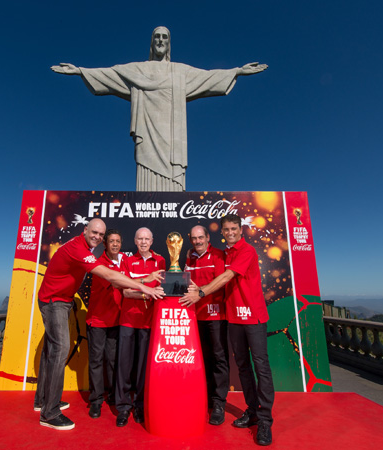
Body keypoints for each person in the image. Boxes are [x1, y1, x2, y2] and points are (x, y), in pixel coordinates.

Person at [51, 26, 267, 191]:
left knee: (173, 180)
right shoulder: (138, 70)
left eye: (165, 37)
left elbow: (208, 76)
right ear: (152, 42)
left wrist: (237, 71)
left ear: (169, 43)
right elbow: (111, 73)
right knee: (145, 176)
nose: (161, 41)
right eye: (157, 37)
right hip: (147, 132)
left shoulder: (179, 71)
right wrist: (80, 71)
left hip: (173, 138)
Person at [34, 219, 163, 431]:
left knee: (51, 351)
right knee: (60, 350)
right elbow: (112, 278)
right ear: (85, 230)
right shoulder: (79, 249)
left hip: (64, 301)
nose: (98, 237)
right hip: (54, 301)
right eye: (95, 233)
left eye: (101, 234)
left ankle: (42, 400)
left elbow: (117, 277)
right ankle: (50, 412)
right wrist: (147, 286)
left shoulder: (91, 251)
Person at [180, 214, 274, 446]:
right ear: (221, 231)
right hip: (233, 318)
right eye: (227, 229)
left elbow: (227, 276)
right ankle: (252, 411)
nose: (230, 232)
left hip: (253, 317)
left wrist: (200, 292)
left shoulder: (246, 251)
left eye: (234, 229)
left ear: (241, 230)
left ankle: (265, 420)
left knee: (261, 366)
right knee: (242, 367)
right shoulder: (226, 253)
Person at [115, 227, 166, 427]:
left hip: (149, 320)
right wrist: (146, 290)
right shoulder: (127, 261)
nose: (143, 242)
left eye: (147, 239)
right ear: (135, 241)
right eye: (140, 239)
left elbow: (160, 291)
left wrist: (139, 289)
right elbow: (126, 292)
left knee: (144, 367)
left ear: (152, 241)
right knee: (124, 366)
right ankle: (123, 407)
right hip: (128, 319)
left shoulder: (160, 261)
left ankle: (139, 406)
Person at [183, 225, 229, 426]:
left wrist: (200, 290)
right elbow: (185, 283)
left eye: (201, 237)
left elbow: (221, 282)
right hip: (195, 317)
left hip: (216, 315)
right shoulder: (189, 257)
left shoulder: (218, 255)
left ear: (208, 237)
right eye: (194, 238)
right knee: (201, 360)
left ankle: (219, 403)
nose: (198, 241)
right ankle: (205, 397)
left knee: (219, 359)